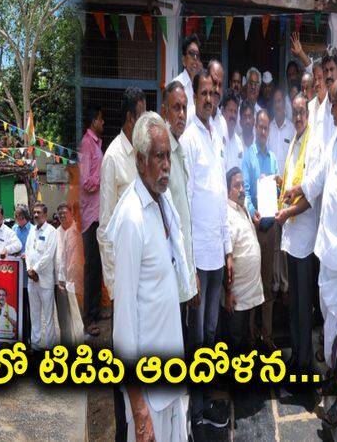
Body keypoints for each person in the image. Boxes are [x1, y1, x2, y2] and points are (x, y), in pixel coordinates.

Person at [284, 75, 337, 427]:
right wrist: (294, 187)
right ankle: (333, 376)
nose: (329, 112)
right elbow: (316, 181)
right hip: (325, 251)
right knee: (330, 325)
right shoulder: (336, 143)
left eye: (333, 106)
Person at [108, 112, 190, 442]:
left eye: (168, 154)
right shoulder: (131, 219)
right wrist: (139, 411)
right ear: (141, 160)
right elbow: (123, 327)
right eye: (159, 156)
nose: (166, 164)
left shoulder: (162, 202)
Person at [182, 69, 234, 429]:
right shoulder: (188, 140)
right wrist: (189, 268)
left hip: (217, 253)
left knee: (211, 332)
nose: (209, 98)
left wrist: (229, 251)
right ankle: (196, 412)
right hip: (198, 257)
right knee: (197, 337)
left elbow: (220, 201)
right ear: (195, 95)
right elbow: (185, 205)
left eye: (213, 92)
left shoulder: (217, 134)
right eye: (203, 92)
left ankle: (204, 401)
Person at [275, 93, 322, 375]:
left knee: (304, 306)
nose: (299, 115)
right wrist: (282, 186)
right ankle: (296, 354)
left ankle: (304, 362)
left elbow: (309, 196)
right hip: (292, 238)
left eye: (302, 110)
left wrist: (287, 213)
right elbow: (294, 186)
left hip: (304, 239)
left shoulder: (313, 143)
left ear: (309, 112)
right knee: (294, 303)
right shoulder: (294, 141)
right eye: (295, 111)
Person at [98, 86, 146, 300]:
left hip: (145, 265)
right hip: (123, 273)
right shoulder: (112, 157)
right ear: (129, 118)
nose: (145, 124)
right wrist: (114, 285)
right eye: (141, 116)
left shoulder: (144, 152)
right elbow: (105, 225)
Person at [161, 80, 200, 340]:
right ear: (165, 110)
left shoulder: (179, 148)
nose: (182, 115)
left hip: (181, 267)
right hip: (167, 270)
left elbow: (183, 217)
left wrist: (191, 272)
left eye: (185, 108)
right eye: (176, 108)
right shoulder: (162, 152)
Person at [242, 109, 280, 353]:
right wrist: (253, 211)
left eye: (266, 128)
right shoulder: (248, 156)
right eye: (260, 127)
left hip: (270, 228)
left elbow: (278, 192)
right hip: (254, 228)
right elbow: (245, 192)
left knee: (266, 284)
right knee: (251, 283)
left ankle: (266, 335)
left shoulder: (274, 158)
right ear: (255, 128)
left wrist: (276, 185)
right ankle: (250, 336)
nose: (263, 131)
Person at [224, 167, 264, 353]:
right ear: (227, 191)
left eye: (242, 185)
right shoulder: (227, 215)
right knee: (235, 338)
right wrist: (228, 292)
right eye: (236, 186)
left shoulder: (243, 209)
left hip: (251, 290)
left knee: (246, 337)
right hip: (237, 294)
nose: (241, 189)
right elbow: (227, 257)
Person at [267, 88, 296, 301]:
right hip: (270, 194)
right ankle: (275, 284)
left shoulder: (291, 129)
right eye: (275, 102)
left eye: (280, 101)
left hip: (288, 195)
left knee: (286, 243)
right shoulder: (267, 128)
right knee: (274, 243)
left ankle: (286, 287)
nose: (278, 105)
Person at [79, 106, 104, 337]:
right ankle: (88, 319)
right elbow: (86, 182)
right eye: (101, 118)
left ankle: (95, 311)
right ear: (94, 120)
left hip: (99, 213)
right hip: (90, 216)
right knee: (91, 268)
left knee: (98, 266)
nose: (103, 122)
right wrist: (103, 176)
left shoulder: (97, 143)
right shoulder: (87, 144)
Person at [26, 201, 59, 351]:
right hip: (32, 280)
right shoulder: (32, 230)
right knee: (34, 314)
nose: (36, 214)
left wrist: (35, 270)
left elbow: (48, 255)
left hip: (44, 280)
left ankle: (50, 346)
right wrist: (29, 270)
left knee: (48, 316)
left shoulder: (51, 231)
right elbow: (27, 250)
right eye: (35, 212)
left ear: (45, 215)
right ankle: (35, 343)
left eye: (39, 212)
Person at [55, 203, 84, 348]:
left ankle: (79, 343)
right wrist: (60, 280)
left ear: (71, 213)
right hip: (62, 280)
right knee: (63, 316)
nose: (61, 216)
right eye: (59, 214)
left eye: (64, 213)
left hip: (77, 280)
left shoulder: (78, 229)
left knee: (77, 313)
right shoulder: (56, 232)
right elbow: (60, 259)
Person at [12, 204, 33, 343]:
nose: (15, 218)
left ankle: (28, 337)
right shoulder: (13, 229)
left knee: (29, 309)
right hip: (15, 277)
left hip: (28, 277)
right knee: (17, 308)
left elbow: (36, 249)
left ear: (23, 217)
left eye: (17, 216)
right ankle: (18, 336)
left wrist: (28, 255)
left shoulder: (32, 230)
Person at [174, 33, 202, 120]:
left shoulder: (199, 86)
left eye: (197, 55)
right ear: (183, 60)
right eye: (191, 53)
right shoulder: (177, 85)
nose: (195, 58)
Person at [221, 90, 244, 172]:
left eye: (235, 112)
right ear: (222, 111)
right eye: (230, 111)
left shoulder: (239, 143)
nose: (233, 115)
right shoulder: (215, 137)